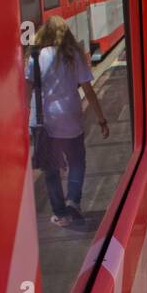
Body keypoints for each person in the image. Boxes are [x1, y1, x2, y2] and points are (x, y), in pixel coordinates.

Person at [26, 16, 110, 228]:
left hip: (45, 121)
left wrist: (22, 121)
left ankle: (60, 213)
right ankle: (73, 201)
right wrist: (101, 119)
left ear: (44, 33)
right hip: (71, 119)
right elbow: (89, 91)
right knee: (77, 162)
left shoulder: (35, 57)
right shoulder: (73, 55)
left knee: (51, 169)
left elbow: (26, 91)